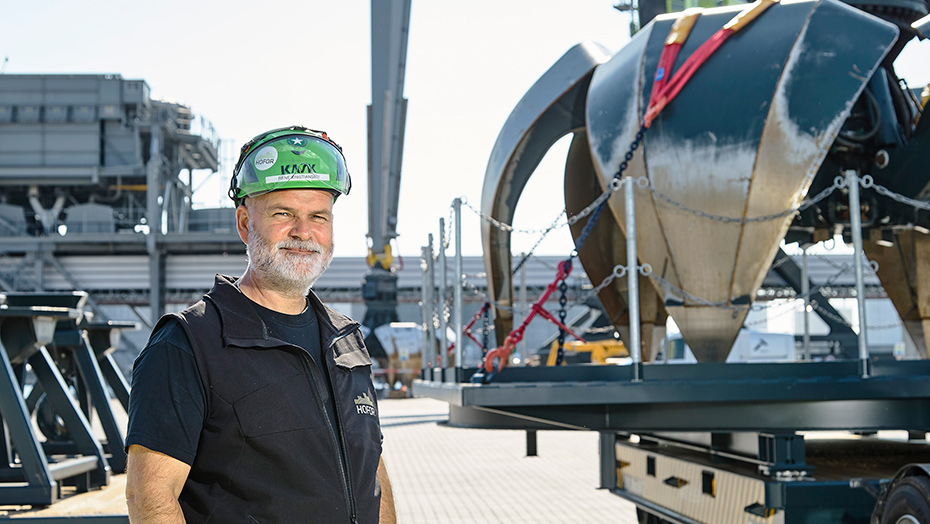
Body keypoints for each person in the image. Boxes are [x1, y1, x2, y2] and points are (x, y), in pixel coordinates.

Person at [125, 125, 395, 524]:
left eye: (318, 216)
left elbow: (371, 471)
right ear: (244, 223)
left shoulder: (346, 341)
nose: (303, 232)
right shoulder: (189, 344)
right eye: (283, 214)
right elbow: (150, 498)